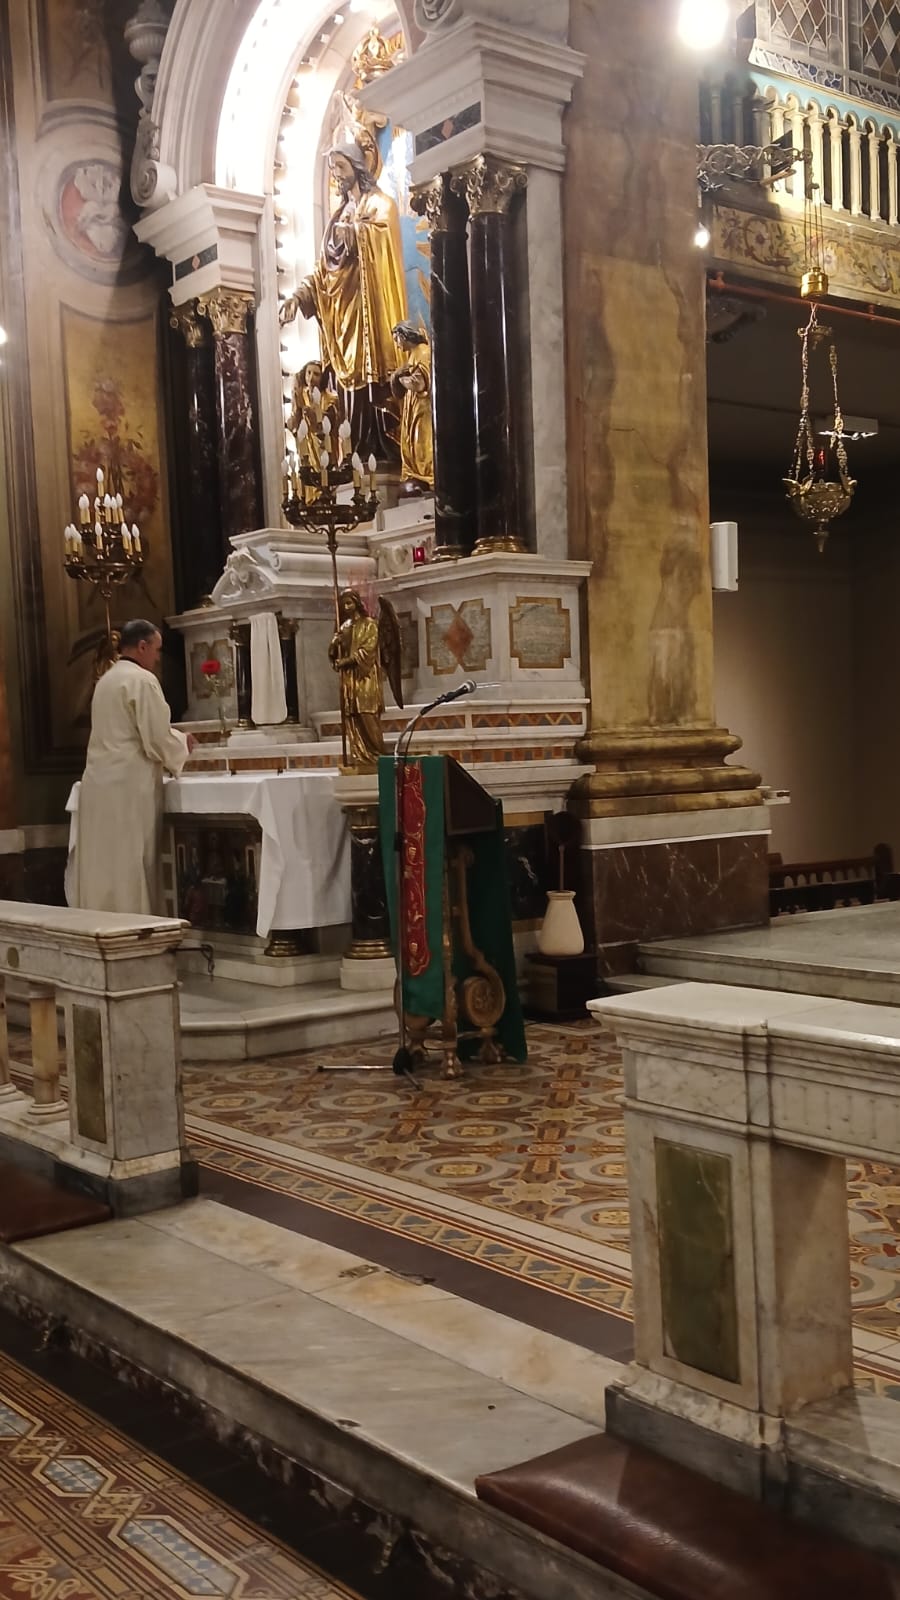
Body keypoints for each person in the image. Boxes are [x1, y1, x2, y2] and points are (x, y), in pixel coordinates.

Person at [280, 143, 407, 457]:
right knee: (346, 392)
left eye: (340, 166)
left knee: (372, 387)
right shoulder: (337, 216)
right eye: (332, 168)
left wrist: (357, 234)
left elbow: (383, 240)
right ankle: (354, 457)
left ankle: (381, 452)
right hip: (341, 321)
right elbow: (322, 272)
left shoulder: (380, 204)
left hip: (370, 316)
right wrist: (298, 296)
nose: (336, 174)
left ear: (357, 167)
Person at [68, 620, 196, 916]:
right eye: (156, 650)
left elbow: (124, 730)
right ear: (142, 646)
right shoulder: (142, 680)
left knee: (104, 860)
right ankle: (135, 924)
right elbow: (155, 737)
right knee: (130, 857)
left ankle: (102, 922)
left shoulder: (105, 680)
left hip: (98, 782)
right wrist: (182, 744)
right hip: (128, 785)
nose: (158, 657)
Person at [328, 589, 385, 769]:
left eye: (349, 603)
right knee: (353, 716)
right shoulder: (344, 626)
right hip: (349, 679)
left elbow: (368, 650)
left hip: (365, 676)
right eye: (344, 604)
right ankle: (360, 755)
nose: (346, 607)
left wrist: (347, 661)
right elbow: (334, 655)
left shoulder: (370, 624)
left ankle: (377, 754)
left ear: (357, 603)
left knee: (366, 713)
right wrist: (334, 644)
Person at [390, 321, 433, 492]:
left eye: (397, 339)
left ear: (404, 335)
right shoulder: (414, 354)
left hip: (423, 408)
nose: (397, 345)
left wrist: (400, 378)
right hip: (413, 406)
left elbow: (420, 383)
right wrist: (397, 377)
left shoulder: (423, 352)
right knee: (413, 442)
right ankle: (417, 475)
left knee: (422, 440)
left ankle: (428, 476)